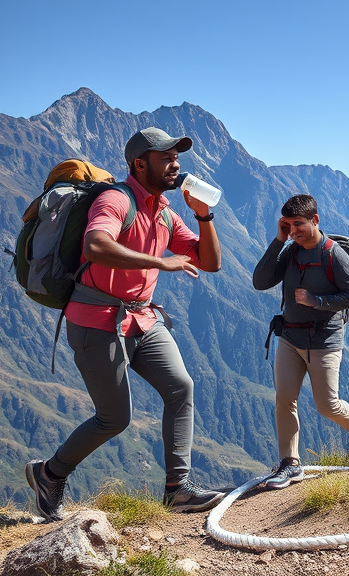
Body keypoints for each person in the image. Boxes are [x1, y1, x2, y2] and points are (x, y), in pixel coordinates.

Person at [25, 127, 225, 521]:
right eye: (166, 157)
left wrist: (204, 215)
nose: (176, 164)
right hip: (96, 321)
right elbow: (95, 245)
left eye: (176, 157)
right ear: (139, 164)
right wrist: (160, 262)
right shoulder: (116, 199)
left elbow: (210, 262)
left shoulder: (163, 211)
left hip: (141, 318)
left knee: (181, 387)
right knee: (114, 418)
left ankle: (177, 489)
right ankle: (49, 473)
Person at [253, 195, 349, 486]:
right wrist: (279, 240)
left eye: (298, 224)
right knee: (285, 399)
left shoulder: (334, 254)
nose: (293, 230)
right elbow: (260, 282)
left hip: (324, 340)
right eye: (288, 225)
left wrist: (316, 301)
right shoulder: (290, 251)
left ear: (315, 220)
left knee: (327, 405)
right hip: (290, 337)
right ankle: (290, 464)